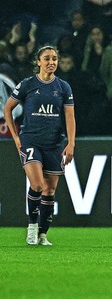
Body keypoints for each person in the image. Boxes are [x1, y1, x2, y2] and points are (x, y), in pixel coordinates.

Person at [3, 45, 76, 246]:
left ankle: (43, 234)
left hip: (54, 143)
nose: (51, 62)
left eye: (54, 59)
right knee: (37, 185)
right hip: (30, 140)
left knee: (50, 191)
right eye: (47, 59)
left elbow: (70, 117)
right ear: (38, 62)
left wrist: (71, 143)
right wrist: (16, 137)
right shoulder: (27, 84)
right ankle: (32, 227)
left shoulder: (63, 87)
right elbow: (8, 108)